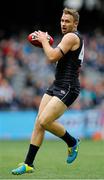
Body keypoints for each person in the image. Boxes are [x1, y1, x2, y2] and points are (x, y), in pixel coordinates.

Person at [12, 7, 84, 175]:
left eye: (67, 21)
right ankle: (28, 164)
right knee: (39, 122)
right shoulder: (67, 38)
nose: (63, 24)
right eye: (62, 20)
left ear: (75, 24)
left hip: (68, 87)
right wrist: (45, 44)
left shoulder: (71, 37)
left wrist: (44, 40)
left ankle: (72, 142)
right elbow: (55, 58)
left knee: (44, 121)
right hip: (57, 84)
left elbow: (51, 57)